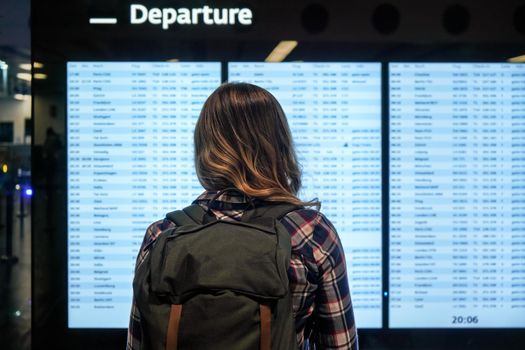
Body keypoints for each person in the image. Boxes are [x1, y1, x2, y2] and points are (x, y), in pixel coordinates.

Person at [127, 82, 358, 349]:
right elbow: (341, 344)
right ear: (278, 145)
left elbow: (137, 344)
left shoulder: (161, 235)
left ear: (205, 147)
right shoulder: (310, 233)